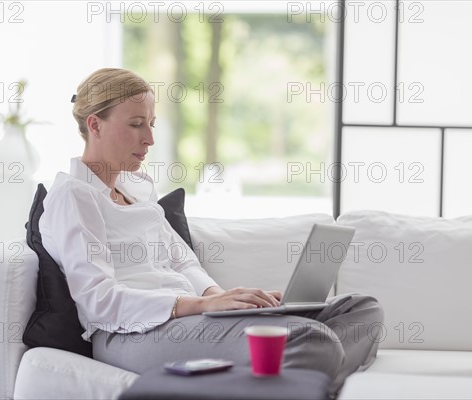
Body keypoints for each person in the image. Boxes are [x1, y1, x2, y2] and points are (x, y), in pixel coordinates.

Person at [39, 68, 384, 396]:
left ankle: (287, 387)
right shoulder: (73, 197)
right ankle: (297, 380)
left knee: (362, 312)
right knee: (313, 340)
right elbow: (101, 303)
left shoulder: (137, 190)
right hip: (133, 333)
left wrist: (224, 299)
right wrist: (203, 304)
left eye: (152, 124)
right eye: (135, 124)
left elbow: (181, 261)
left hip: (190, 318)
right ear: (95, 125)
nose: (149, 139)